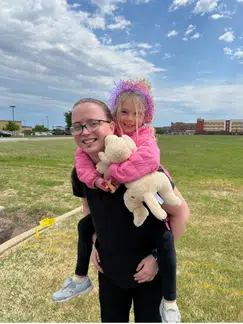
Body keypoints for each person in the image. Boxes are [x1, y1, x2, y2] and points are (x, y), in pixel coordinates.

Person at [52, 95, 190, 324]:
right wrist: (96, 239)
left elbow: (180, 214)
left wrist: (156, 259)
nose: (85, 132)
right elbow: (88, 206)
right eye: (77, 126)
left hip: (148, 276)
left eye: (93, 123)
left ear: (112, 125)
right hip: (110, 273)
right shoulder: (81, 173)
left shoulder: (142, 171)